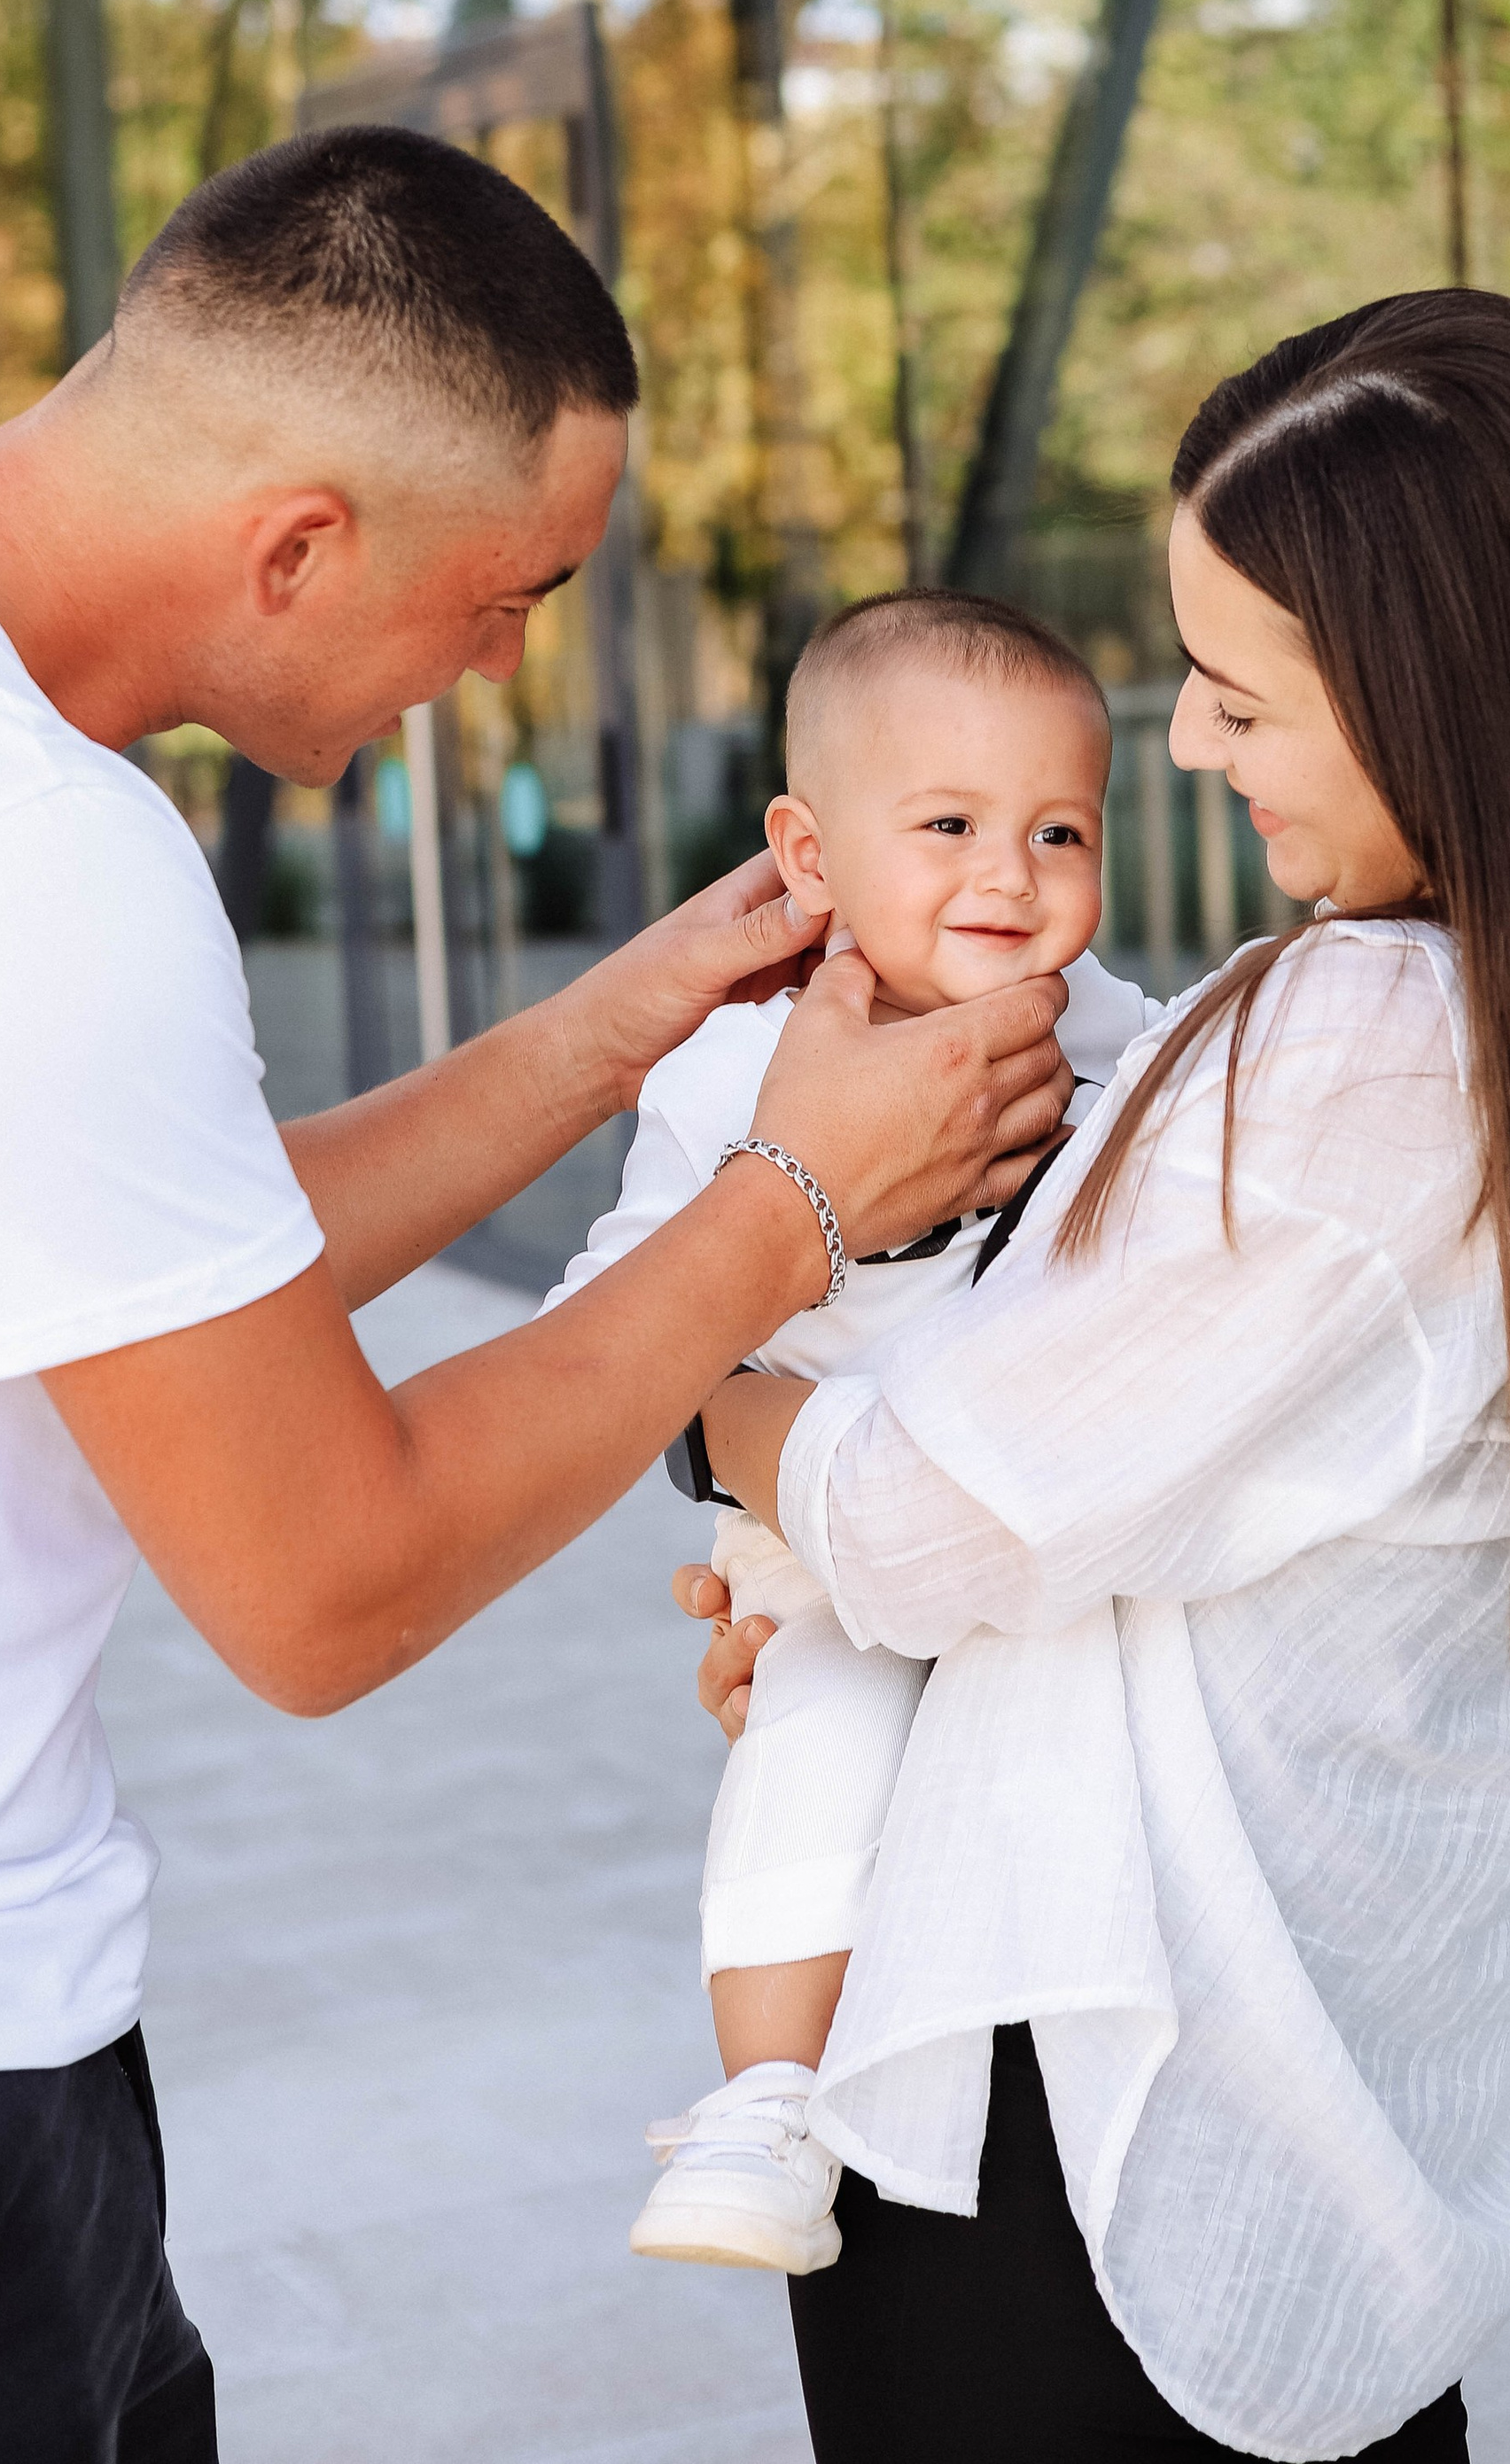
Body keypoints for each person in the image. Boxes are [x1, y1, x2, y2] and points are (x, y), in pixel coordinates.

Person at [0, 128, 1068, 2463]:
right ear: (299, 545)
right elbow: (327, 1587)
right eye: (510, 595)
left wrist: (621, 1025)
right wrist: (786, 1213)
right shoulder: (12, 857)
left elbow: (160, 1270)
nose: (499, 671)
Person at [681, 289, 1510, 2464]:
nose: (1185, 752)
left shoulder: (1368, 1044)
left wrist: (720, 1416)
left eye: (1230, 694)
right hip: (1338, 2156)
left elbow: (928, 1520)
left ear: (1436, 703)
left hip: (1093, 2162)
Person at [540, 589, 1161, 2274]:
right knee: (816, 1740)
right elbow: (609, 1322)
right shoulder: (732, 1072)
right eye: (949, 825)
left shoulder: (1128, 1047)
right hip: (821, 1543)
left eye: (1058, 830)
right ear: (809, 859)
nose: (1010, 876)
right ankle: (769, 2102)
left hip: (1048, 1544)